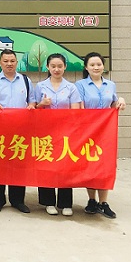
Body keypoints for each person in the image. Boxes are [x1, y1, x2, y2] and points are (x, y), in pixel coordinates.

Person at [0, 49, 35, 214]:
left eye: (12, 61)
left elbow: (32, 101)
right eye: (5, 61)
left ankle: (17, 200)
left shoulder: (25, 80)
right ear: (0, 63)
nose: (9, 64)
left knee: (18, 165)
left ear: (16, 62)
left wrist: (31, 106)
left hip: (20, 130)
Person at [75, 52, 126, 219]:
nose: (96, 67)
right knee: (90, 165)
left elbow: (113, 104)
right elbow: (80, 108)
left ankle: (104, 202)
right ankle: (91, 200)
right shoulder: (80, 85)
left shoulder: (110, 84)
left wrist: (120, 101)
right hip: (88, 132)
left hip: (106, 132)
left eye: (99, 64)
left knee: (105, 166)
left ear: (103, 66)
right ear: (86, 67)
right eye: (92, 65)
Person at [34, 53, 82, 217]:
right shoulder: (40, 86)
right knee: (46, 165)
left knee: (65, 166)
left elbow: (75, 111)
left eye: (60, 66)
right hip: (45, 133)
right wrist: (42, 104)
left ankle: (65, 203)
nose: (56, 69)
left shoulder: (71, 87)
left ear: (65, 67)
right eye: (53, 66)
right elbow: (34, 109)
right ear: (48, 67)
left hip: (65, 133)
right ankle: (48, 202)